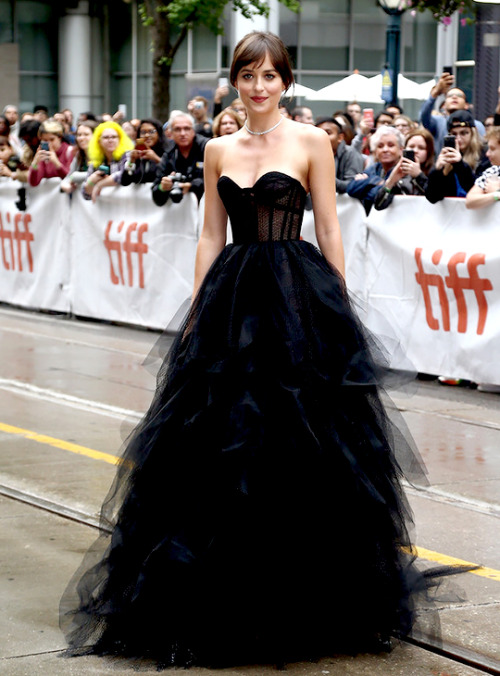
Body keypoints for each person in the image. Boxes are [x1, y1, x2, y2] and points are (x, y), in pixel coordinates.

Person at [61, 30, 463, 670]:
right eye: (247, 76)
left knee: (306, 438)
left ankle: (315, 596)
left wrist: (338, 304)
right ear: (235, 81)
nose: (258, 87)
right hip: (231, 298)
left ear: (286, 81)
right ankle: (219, 593)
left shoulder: (312, 142)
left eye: (269, 76)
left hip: (298, 297)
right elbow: (208, 235)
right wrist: (197, 305)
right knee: (220, 442)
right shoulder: (217, 148)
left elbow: (330, 223)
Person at [419, 72, 485, 153]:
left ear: (466, 105)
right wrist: (434, 93)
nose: (454, 97)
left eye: (459, 96)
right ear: (444, 105)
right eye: (450, 96)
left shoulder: (477, 125)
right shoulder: (438, 122)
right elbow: (424, 116)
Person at [425, 110, 481, 204]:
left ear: (473, 134)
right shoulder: (446, 157)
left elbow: (473, 189)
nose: (458, 138)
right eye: (454, 134)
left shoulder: (485, 155)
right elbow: (432, 197)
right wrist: (438, 171)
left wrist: (459, 164)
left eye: (464, 133)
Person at [152, 112, 208, 206]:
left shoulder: (206, 147)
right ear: (171, 133)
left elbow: (216, 180)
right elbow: (157, 197)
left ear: (193, 131)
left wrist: (192, 186)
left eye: (187, 128)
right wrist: (163, 187)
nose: (182, 133)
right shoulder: (169, 152)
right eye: (177, 129)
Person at [373, 127, 435, 210]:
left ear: (429, 152)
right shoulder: (397, 171)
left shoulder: (435, 172)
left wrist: (418, 175)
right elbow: (379, 205)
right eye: (411, 146)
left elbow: (434, 198)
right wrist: (390, 182)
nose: (415, 151)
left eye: (421, 148)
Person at [347, 125, 404, 213]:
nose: (385, 149)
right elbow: (351, 188)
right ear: (375, 151)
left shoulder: (403, 169)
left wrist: (366, 183)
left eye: (391, 145)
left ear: (401, 149)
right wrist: (378, 181)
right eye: (380, 146)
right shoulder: (375, 168)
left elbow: (378, 196)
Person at [82, 121, 134, 202]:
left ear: (120, 139)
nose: (110, 140)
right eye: (106, 137)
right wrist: (91, 181)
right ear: (99, 141)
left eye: (114, 137)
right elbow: (86, 195)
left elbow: (125, 174)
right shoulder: (96, 161)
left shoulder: (127, 155)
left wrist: (100, 184)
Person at [315, 116, 364, 193]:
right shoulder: (312, 155)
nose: (322, 137)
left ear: (340, 137)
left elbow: (353, 185)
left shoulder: (350, 153)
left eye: (328, 133)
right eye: (319, 133)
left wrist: (324, 178)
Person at [28, 119, 74, 187]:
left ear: (60, 137)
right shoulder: (44, 155)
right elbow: (34, 182)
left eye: (52, 139)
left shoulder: (70, 151)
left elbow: (70, 179)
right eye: (45, 140)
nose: (49, 143)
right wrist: (35, 163)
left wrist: (56, 163)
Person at [121, 118, 166, 185]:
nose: (147, 135)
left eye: (151, 132)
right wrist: (132, 161)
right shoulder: (138, 153)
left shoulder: (166, 151)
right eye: (143, 132)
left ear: (159, 133)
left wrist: (156, 158)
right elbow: (125, 181)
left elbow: (170, 172)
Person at [466, 126, 500, 209]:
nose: (487, 154)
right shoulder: (493, 171)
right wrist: (496, 195)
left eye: (492, 149)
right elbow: (470, 201)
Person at [60, 120, 97, 193]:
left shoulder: (102, 156)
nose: (81, 138)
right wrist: (65, 185)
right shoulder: (78, 155)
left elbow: (98, 175)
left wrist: (75, 176)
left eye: (86, 134)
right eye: (79, 135)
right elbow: (68, 177)